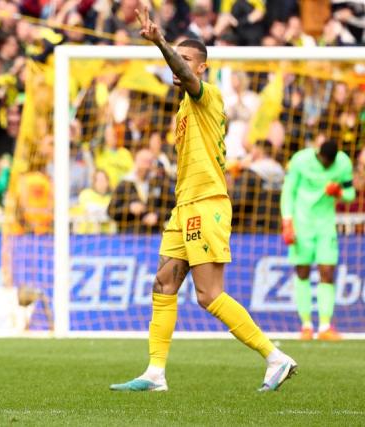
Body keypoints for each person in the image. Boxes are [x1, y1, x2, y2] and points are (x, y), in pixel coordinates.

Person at [110, 6, 296, 393]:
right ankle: (155, 374)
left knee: (209, 295)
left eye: (188, 60)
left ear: (203, 67)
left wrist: (161, 41)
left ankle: (275, 357)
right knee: (163, 283)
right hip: (185, 206)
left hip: (207, 202)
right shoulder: (182, 106)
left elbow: (184, 72)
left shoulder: (205, 95)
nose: (180, 68)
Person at [280, 140, 355, 341]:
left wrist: (339, 193)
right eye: (324, 161)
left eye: (330, 163)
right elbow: (288, 191)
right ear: (318, 154)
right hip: (301, 223)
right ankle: (306, 325)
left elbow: (351, 194)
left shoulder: (344, 163)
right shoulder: (300, 160)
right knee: (302, 272)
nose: (327, 165)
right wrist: (287, 221)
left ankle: (324, 326)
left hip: (326, 225)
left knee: (327, 272)